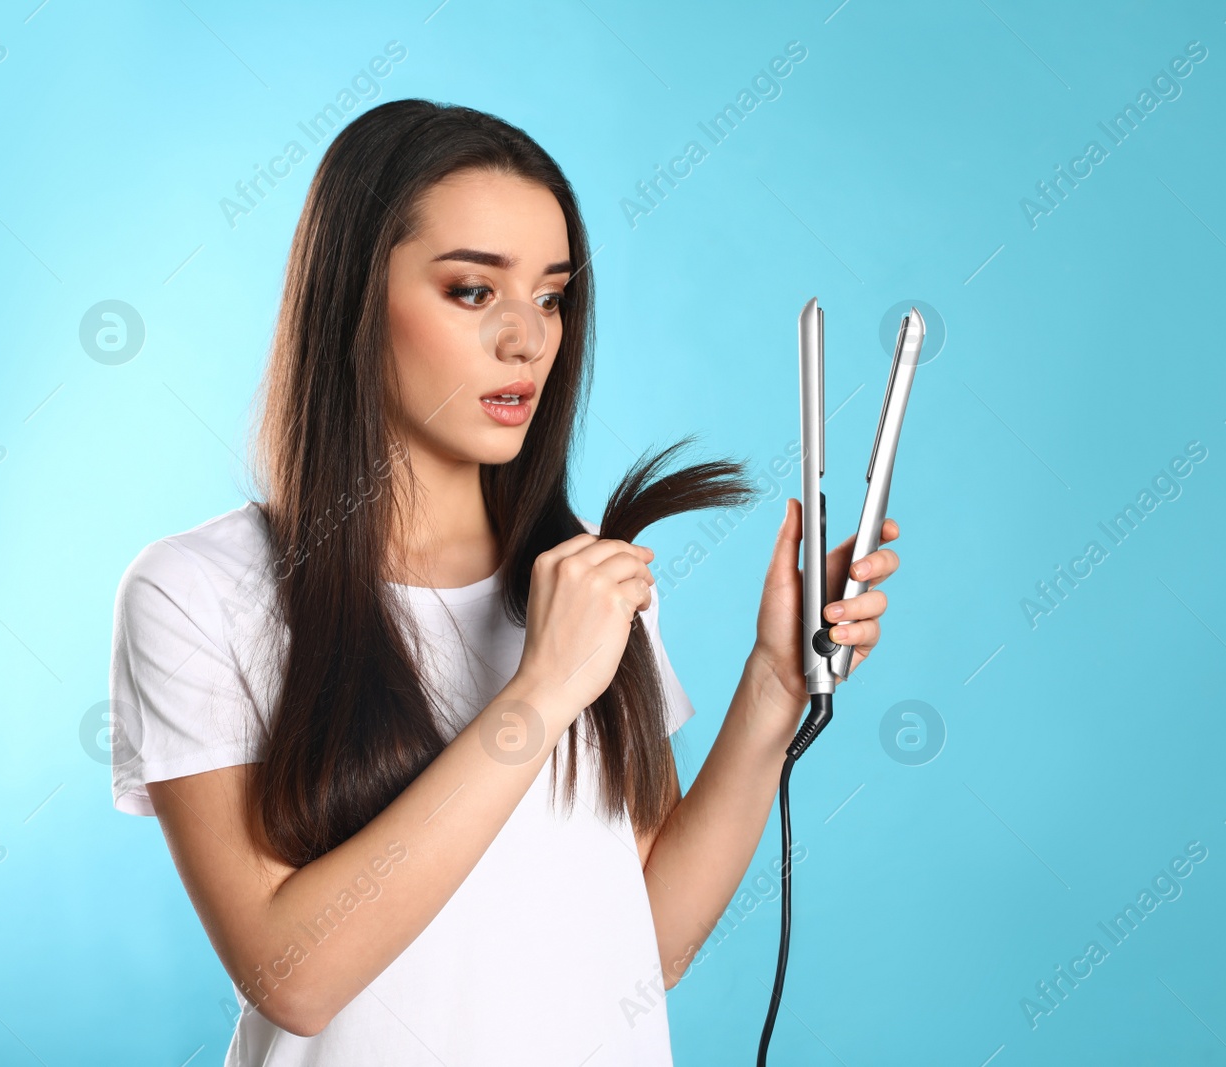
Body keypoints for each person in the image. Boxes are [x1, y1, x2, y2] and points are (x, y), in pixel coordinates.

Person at [107, 99, 901, 1065]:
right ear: (353, 299)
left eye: (554, 296)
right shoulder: (197, 592)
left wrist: (774, 686)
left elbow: (643, 945)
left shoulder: (588, 584)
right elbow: (292, 977)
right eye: (474, 292)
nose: (528, 339)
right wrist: (540, 691)